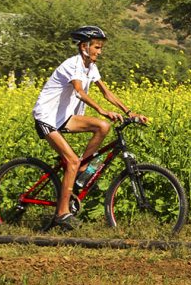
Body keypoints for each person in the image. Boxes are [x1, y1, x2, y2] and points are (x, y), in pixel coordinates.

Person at [32, 25, 148, 231]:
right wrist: (102, 110)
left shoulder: (90, 67)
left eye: (101, 47)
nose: (99, 51)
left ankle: (83, 168)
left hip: (64, 117)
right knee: (72, 161)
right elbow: (78, 92)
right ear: (84, 46)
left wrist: (130, 113)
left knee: (103, 127)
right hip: (46, 117)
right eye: (97, 47)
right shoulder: (72, 65)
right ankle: (61, 213)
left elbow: (107, 93)